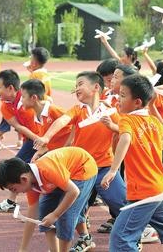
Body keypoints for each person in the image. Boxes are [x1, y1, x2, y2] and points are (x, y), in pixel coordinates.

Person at [34, 71, 128, 249]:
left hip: (104, 168)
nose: (76, 88)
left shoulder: (111, 110)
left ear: (96, 87)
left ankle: (136, 231)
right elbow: (62, 120)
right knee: (73, 206)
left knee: (121, 201)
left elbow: (124, 132)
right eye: (76, 85)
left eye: (80, 84)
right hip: (81, 171)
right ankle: (84, 237)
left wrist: (112, 126)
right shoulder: (78, 110)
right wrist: (47, 137)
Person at [103, 74, 163, 252]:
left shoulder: (127, 120)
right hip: (159, 188)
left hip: (143, 192)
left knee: (120, 236)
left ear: (137, 102)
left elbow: (126, 138)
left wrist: (113, 169)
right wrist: (152, 106)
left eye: (122, 95)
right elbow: (161, 140)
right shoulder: (155, 123)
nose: (118, 100)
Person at [0, 147, 98, 252]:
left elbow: (74, 191)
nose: (15, 192)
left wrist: (55, 214)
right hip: (65, 173)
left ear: (24, 179)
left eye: (14, 189)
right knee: (44, 209)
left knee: (65, 215)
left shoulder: (47, 170)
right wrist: (23, 249)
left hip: (83, 168)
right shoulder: (30, 183)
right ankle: (56, 249)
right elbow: (31, 216)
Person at [0, 70, 39, 213]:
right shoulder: (5, 106)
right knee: (19, 167)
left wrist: (44, 138)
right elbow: (18, 126)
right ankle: (13, 201)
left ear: (10, 88)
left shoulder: (27, 97)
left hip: (47, 138)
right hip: (33, 140)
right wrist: (37, 139)